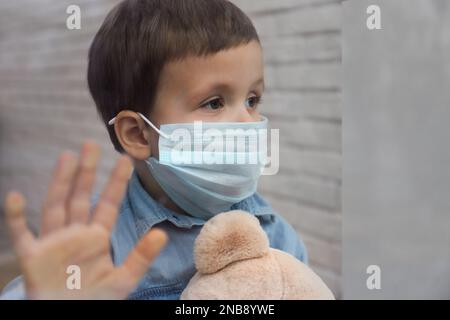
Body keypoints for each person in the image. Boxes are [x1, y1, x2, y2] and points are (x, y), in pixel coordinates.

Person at [1, 0, 307, 299]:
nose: (247, 123)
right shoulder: (94, 245)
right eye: (214, 102)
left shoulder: (276, 235)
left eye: (252, 100)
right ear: (137, 134)